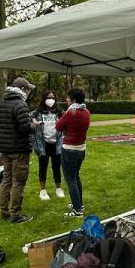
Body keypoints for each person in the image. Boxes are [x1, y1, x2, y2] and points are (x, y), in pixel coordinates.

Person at [0, 76, 36, 223]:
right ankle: (15, 214)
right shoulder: (21, 105)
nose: (29, 92)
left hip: (5, 149)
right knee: (19, 182)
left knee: (6, 180)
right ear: (23, 90)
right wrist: (34, 125)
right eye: (28, 89)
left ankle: (4, 211)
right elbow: (25, 128)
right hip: (19, 150)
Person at [56, 87, 91, 218]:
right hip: (81, 149)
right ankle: (79, 204)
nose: (66, 99)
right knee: (76, 177)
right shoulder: (86, 111)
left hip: (69, 149)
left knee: (70, 180)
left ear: (73, 99)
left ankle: (77, 211)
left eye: (68, 97)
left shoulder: (71, 112)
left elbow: (58, 126)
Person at [31, 90, 65, 201]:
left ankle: (58, 188)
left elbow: (66, 120)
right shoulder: (38, 112)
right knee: (43, 167)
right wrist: (34, 122)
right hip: (43, 144)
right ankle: (43, 190)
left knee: (56, 167)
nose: (51, 100)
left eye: (53, 97)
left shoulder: (59, 112)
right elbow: (27, 117)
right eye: (48, 97)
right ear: (44, 99)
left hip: (56, 144)